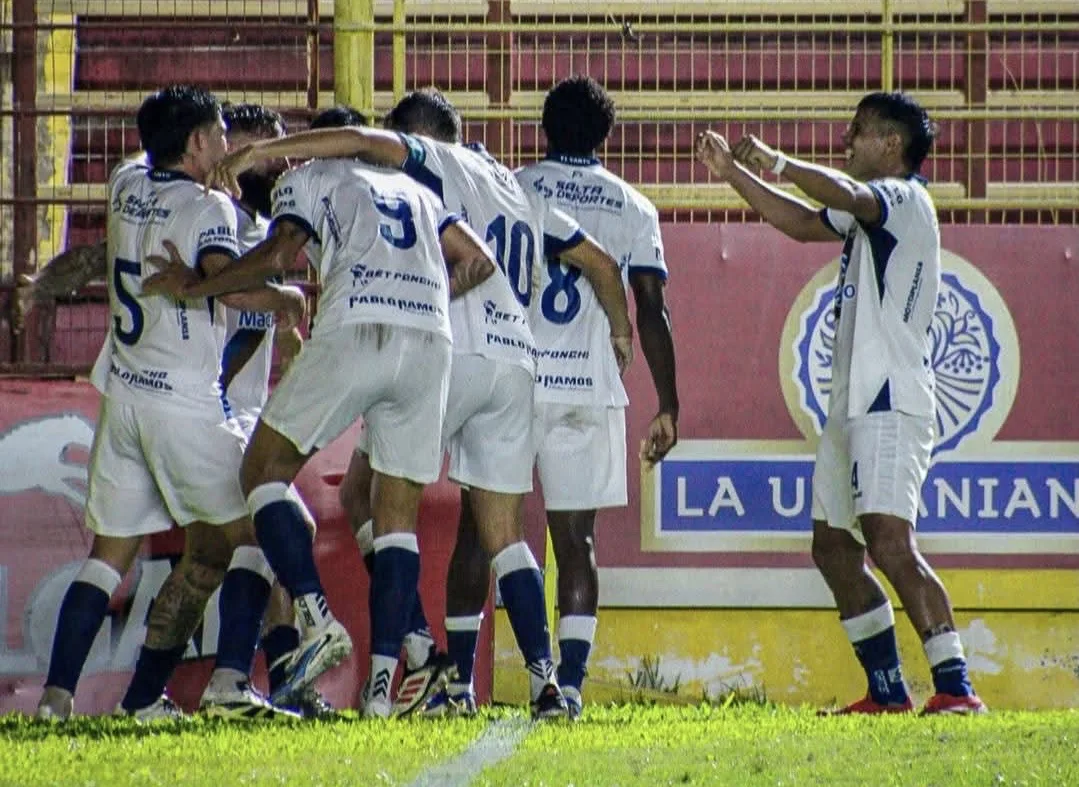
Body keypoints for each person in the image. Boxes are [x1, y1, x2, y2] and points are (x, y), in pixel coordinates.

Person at [203, 88, 634, 719]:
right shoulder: (513, 183)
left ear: (416, 137)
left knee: (365, 497)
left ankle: (398, 670)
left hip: (446, 342)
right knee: (504, 534)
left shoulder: (424, 167)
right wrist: (619, 335)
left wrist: (265, 151)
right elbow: (594, 259)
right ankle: (541, 681)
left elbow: (354, 146)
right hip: (516, 357)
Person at [142, 137, 504, 720]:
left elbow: (283, 249)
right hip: (431, 338)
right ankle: (385, 692)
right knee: (396, 523)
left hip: (357, 324)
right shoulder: (418, 190)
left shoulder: (307, 176)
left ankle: (313, 612)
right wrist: (422, 298)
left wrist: (198, 286)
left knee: (262, 470)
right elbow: (478, 260)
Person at [695, 91, 986, 715]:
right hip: (853, 405)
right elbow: (802, 223)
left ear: (892, 145)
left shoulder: (904, 199)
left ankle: (957, 688)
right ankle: (887, 692)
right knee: (832, 546)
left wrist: (779, 161)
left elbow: (843, 196)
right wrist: (734, 174)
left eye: (860, 132)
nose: (848, 141)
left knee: (889, 542)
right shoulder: (869, 212)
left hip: (892, 399)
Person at [35, 85, 305, 722]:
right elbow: (224, 283)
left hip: (124, 396)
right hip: (183, 401)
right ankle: (235, 683)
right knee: (265, 532)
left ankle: (58, 698)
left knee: (109, 557)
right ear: (196, 144)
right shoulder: (208, 206)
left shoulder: (128, 180)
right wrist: (284, 300)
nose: (224, 151)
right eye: (217, 137)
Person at [513, 75, 680, 719]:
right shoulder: (633, 205)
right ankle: (573, 685)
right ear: (607, 138)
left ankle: (457, 683)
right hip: (588, 381)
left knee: (484, 530)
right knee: (576, 540)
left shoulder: (516, 186)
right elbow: (652, 308)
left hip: (516, 373)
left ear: (543, 131)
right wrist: (668, 403)